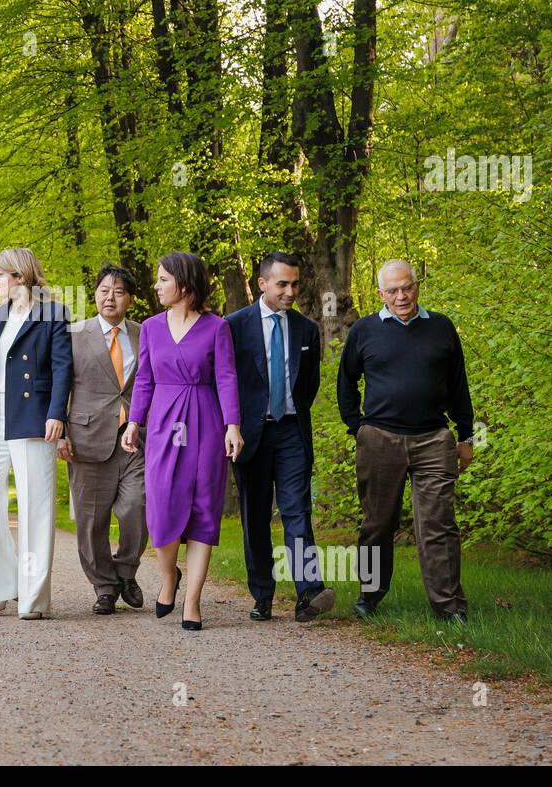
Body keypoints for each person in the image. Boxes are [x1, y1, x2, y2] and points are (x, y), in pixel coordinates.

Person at [337, 259, 474, 624]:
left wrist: (466, 435)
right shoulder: (365, 331)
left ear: (417, 286)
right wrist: (357, 429)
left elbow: (459, 384)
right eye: (393, 290)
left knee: (438, 523)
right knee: (377, 523)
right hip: (379, 440)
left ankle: (449, 606)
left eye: (407, 287)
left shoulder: (442, 327)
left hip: (433, 439)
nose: (402, 296)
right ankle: (369, 595)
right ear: (381, 294)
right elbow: (346, 383)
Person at [122, 252, 243, 631]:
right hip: (162, 422)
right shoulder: (152, 328)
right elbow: (143, 379)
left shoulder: (216, 327)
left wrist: (232, 425)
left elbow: (226, 378)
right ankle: (168, 577)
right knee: (160, 505)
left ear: (184, 284)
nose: (156, 286)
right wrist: (134, 421)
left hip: (205, 420)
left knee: (204, 506)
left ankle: (192, 600)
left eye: (162, 280)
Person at [0, 247, 72, 620]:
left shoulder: (53, 313)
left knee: (35, 506)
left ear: (19, 276)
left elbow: (62, 368)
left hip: (34, 416)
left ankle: (33, 598)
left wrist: (58, 413)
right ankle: (4, 585)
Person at [226, 252, 332, 623]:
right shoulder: (234, 326)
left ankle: (309, 592)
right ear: (262, 284)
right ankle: (262, 595)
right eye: (282, 284)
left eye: (295, 284)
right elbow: (226, 382)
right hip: (250, 435)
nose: (290, 291)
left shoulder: (305, 329)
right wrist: (232, 425)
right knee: (254, 517)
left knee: (297, 511)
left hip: (290, 431)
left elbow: (309, 386)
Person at [58, 263, 146, 615]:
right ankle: (104, 586)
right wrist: (61, 431)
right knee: (90, 520)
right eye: (104, 291)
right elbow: (60, 385)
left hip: (134, 438)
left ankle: (126, 571)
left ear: (131, 299)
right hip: (86, 437)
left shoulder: (145, 334)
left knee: (136, 507)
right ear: (94, 295)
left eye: (119, 291)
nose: (110, 298)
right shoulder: (73, 334)